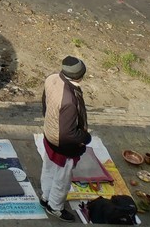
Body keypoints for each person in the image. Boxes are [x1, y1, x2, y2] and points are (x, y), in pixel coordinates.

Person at [40, 57, 90, 221]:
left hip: (49, 134)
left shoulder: (52, 78)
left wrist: (51, 124)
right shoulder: (69, 100)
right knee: (62, 179)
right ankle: (55, 207)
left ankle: (45, 197)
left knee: (48, 169)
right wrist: (85, 137)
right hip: (63, 145)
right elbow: (68, 134)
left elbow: (44, 105)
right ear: (80, 76)